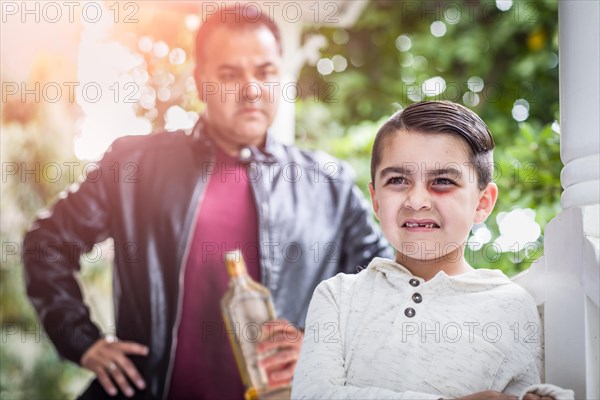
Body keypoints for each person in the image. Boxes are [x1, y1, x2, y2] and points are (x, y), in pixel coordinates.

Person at [22, 5, 392, 400]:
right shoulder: (135, 165)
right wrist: (83, 340)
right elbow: (47, 243)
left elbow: (386, 285)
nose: (252, 89)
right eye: (230, 75)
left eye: (265, 73)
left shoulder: (327, 183)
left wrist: (323, 348)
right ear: (201, 83)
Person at [291, 101, 574, 400]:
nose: (416, 200)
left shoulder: (512, 307)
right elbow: (313, 395)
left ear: (482, 203)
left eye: (442, 181)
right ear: (376, 200)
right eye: (398, 180)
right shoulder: (338, 298)